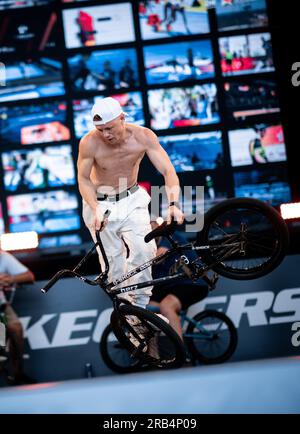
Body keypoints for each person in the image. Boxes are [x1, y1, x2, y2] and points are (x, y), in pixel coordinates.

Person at [77, 97, 184, 311]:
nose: (105, 134)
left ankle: (140, 309)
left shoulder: (143, 136)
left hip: (131, 198)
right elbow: (83, 179)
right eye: (100, 129)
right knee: (114, 269)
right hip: (100, 203)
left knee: (145, 252)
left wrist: (173, 204)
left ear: (122, 118)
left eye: (109, 128)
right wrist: (95, 208)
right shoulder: (89, 142)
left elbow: (167, 170)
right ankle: (127, 313)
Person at [149, 225, 208, 340]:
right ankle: (152, 356)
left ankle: (181, 354)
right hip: (170, 285)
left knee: (167, 306)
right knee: (146, 312)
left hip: (192, 282)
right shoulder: (146, 245)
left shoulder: (169, 236)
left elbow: (159, 257)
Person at [0, 250, 35, 385]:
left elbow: (29, 276)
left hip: (2, 305)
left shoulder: (3, 256)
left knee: (15, 328)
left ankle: (18, 373)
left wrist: (10, 279)